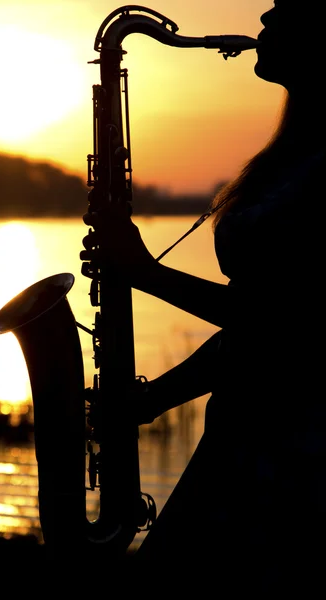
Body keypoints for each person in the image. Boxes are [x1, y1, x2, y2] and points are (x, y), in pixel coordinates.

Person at [81, 0, 325, 591]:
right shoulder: (297, 154)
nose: (265, 18)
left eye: (285, 6)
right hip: (244, 442)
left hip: (297, 467)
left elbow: (290, 326)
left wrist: (143, 270)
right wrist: (155, 399)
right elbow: (257, 333)